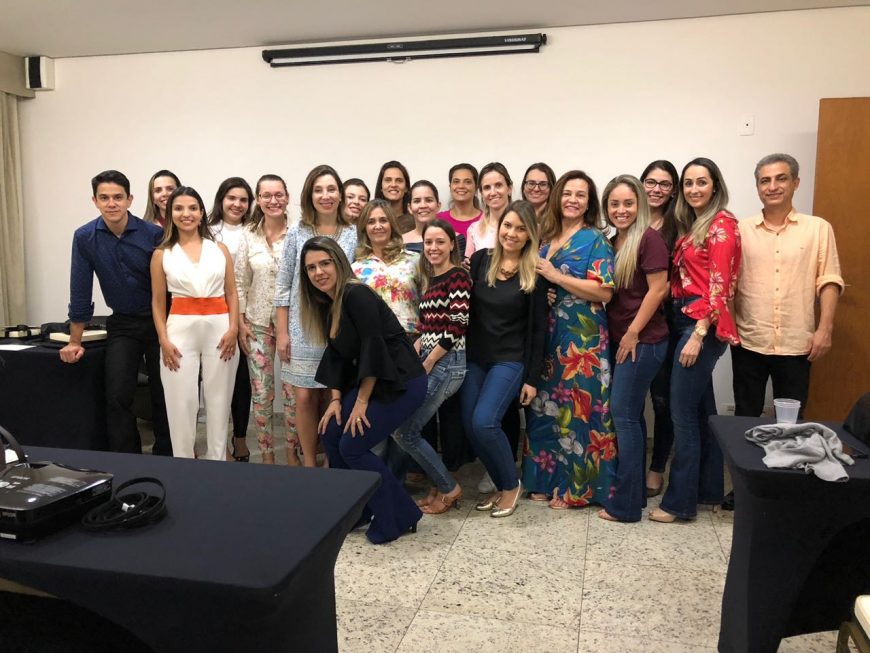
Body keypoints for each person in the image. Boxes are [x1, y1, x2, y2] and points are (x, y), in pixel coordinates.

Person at [725, 153, 843, 510]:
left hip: (796, 341)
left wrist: (825, 328)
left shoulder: (817, 228)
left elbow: (829, 280)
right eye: (765, 180)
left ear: (795, 183)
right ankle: (745, 489)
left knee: (792, 422)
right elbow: (727, 283)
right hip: (750, 340)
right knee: (745, 418)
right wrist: (729, 326)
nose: (772, 186)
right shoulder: (741, 230)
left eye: (780, 179)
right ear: (757, 186)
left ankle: (786, 489)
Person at [306, 237, 427, 544]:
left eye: (325, 263)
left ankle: (400, 513)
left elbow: (374, 347)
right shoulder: (329, 302)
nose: (318, 272)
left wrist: (361, 401)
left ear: (338, 263)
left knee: (353, 447)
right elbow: (337, 355)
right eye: (311, 268)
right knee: (331, 433)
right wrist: (336, 400)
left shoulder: (355, 293)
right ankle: (361, 509)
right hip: (375, 380)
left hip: (401, 381)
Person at [649, 157, 741, 523]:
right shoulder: (694, 224)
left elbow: (721, 287)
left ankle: (679, 503)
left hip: (700, 323)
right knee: (702, 411)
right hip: (682, 316)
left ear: (715, 186)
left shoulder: (722, 225)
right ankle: (707, 490)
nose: (693, 189)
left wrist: (699, 334)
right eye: (688, 183)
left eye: (701, 182)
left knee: (682, 413)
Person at [523, 170, 617, 509]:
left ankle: (578, 489)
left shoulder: (595, 239)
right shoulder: (545, 237)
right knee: (545, 407)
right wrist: (547, 289)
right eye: (567, 193)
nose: (572, 200)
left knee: (580, 410)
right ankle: (544, 480)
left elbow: (604, 292)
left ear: (589, 203)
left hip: (583, 338)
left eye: (580, 195)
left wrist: (557, 278)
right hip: (548, 336)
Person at [61, 170, 172, 456]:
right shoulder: (85, 237)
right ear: (95, 201)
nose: (111, 204)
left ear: (129, 199)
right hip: (122, 324)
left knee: (165, 393)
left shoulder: (154, 234)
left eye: (118, 197)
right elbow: (80, 290)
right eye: (104, 198)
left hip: (161, 322)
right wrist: (75, 341)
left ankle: (167, 457)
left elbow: (172, 285)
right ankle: (128, 460)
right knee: (117, 395)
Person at [466, 200, 548, 518]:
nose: (511, 233)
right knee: (470, 426)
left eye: (520, 228)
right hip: (476, 358)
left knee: (484, 421)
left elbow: (538, 330)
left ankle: (511, 485)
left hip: (510, 359)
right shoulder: (480, 260)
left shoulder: (535, 272)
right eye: (507, 226)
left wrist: (532, 378)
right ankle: (501, 485)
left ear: (530, 235)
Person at [598, 175, 669, 522]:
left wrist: (632, 333)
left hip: (644, 342)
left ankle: (625, 507)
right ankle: (635, 495)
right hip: (624, 340)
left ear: (639, 203)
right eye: (614, 204)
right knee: (632, 418)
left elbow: (658, 289)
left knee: (623, 416)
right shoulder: (613, 240)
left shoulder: (649, 239)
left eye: (628, 203)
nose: (621, 210)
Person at [276, 165, 357, 467]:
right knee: (305, 399)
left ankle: (331, 463)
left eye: (331, 189)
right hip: (302, 328)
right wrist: (282, 332)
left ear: (340, 194)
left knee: (335, 397)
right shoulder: (297, 232)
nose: (326, 195)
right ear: (309, 195)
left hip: (341, 327)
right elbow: (284, 283)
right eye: (318, 190)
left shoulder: (353, 233)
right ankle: (310, 464)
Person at [150, 187, 239, 460]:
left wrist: (234, 329)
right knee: (181, 403)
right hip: (179, 332)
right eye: (178, 208)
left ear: (201, 213)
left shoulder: (219, 250)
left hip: (221, 331)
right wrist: (163, 340)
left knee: (219, 401)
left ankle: (217, 463)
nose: (185, 214)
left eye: (192, 208)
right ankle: (183, 465)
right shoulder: (162, 254)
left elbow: (232, 293)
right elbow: (158, 301)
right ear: (170, 214)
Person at [392, 219, 471, 514]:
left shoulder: (457, 276)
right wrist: (418, 351)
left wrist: (429, 359)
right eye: (428, 242)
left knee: (405, 431)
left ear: (452, 245)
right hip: (431, 360)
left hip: (447, 364)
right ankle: (438, 487)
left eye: (440, 242)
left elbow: (458, 324)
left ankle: (449, 487)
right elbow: (429, 327)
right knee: (410, 429)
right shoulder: (432, 278)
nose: (433, 247)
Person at [235, 174, 298, 465]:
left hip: (292, 325)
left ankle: (293, 453)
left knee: (292, 395)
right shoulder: (248, 235)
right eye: (267, 195)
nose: (273, 201)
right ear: (258, 200)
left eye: (278, 194)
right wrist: (240, 321)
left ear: (287, 197)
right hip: (257, 324)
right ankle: (268, 456)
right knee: (261, 394)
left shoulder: (298, 233)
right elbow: (239, 281)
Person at [639, 159, 680, 496]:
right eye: (650, 182)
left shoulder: (678, 227)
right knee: (628, 402)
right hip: (627, 324)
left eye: (664, 184)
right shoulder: (627, 220)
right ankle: (633, 463)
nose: (656, 189)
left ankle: (656, 468)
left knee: (663, 401)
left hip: (666, 324)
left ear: (673, 190)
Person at [207, 177, 254, 461]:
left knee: (241, 383)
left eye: (243, 199)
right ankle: (219, 442)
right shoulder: (207, 231)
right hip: (212, 314)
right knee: (216, 383)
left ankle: (240, 439)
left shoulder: (254, 231)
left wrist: (240, 321)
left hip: (243, 315)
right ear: (221, 200)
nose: (237, 204)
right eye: (231, 198)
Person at [352, 200, 421, 337]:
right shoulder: (356, 269)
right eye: (371, 222)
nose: (378, 226)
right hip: (376, 340)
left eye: (383, 220)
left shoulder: (414, 260)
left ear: (392, 225)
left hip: (412, 339)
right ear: (364, 228)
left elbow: (428, 303)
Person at [466, 162, 512, 259]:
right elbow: (469, 264)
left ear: (509, 188)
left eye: (498, 185)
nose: (493, 192)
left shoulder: (526, 226)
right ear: (481, 193)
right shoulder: (474, 230)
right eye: (487, 187)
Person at [437, 163, 482, 241]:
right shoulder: (438, 220)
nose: (461, 186)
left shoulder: (487, 220)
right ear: (450, 187)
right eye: (456, 181)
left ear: (476, 188)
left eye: (467, 182)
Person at [374, 161, 415, 234]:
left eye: (399, 181)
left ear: (406, 188)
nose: (393, 185)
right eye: (388, 180)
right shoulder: (370, 220)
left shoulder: (415, 222)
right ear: (381, 187)